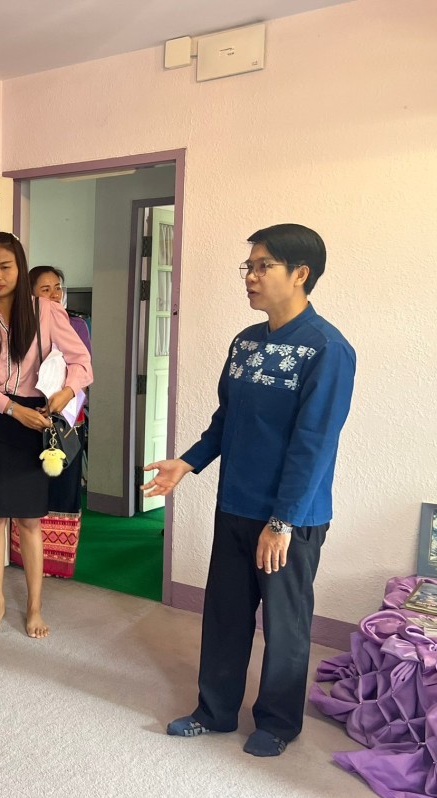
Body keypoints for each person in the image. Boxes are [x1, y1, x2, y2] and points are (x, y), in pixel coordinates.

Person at [144, 223, 356, 758]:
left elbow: (314, 444)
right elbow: (227, 419)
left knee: (285, 625)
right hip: (235, 503)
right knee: (225, 615)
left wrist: (282, 521)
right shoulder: (245, 342)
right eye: (249, 266)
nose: (251, 276)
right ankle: (214, 711)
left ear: (300, 274)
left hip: (291, 518)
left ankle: (279, 723)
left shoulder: (327, 349)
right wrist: (187, 463)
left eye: (263, 266)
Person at [0, 233, 92, 638]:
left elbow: (81, 362)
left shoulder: (45, 310)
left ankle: (34, 607)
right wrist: (13, 410)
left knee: (31, 520)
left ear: (20, 267)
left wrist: (65, 392)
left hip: (36, 416)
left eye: (5, 267)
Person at [7, 265, 92, 579]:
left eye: (58, 287)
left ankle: (57, 563)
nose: (55, 294)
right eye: (46, 289)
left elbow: (83, 373)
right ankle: (25, 557)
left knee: (64, 487)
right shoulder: (20, 326)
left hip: (67, 419)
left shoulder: (77, 325)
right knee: (31, 487)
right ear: (30, 294)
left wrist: (65, 402)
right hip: (30, 416)